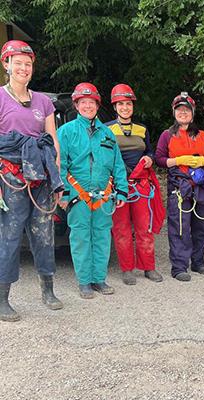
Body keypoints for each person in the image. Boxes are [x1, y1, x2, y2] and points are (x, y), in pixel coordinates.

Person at [0, 40, 63, 321]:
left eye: (28, 64)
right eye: (18, 63)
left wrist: (56, 180)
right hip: (9, 177)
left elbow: (52, 144)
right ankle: (3, 298)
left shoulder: (43, 102)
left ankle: (47, 289)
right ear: (6, 64)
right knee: (10, 237)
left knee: (43, 234)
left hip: (40, 179)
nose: (24, 68)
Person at [58, 82, 128, 298]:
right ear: (77, 105)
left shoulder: (107, 134)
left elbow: (117, 164)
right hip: (77, 194)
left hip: (103, 194)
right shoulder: (66, 132)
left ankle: (99, 279)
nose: (88, 106)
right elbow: (60, 164)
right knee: (80, 238)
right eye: (83, 102)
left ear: (97, 106)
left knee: (101, 237)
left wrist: (122, 190)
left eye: (92, 102)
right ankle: (84, 282)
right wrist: (64, 193)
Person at [106, 84, 164, 285]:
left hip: (140, 184)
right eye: (120, 104)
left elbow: (149, 151)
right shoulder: (107, 129)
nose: (125, 108)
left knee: (143, 227)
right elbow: (105, 156)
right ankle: (127, 269)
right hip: (119, 185)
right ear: (115, 107)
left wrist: (149, 158)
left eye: (128, 104)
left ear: (133, 106)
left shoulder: (142, 129)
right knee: (121, 228)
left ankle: (148, 267)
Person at [155, 92, 204, 282]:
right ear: (174, 112)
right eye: (179, 110)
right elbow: (159, 159)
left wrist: (202, 161)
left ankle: (198, 261)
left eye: (186, 110)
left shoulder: (203, 136)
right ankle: (179, 266)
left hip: (200, 185)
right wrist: (177, 160)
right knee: (179, 225)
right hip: (179, 185)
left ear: (192, 113)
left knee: (201, 224)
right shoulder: (167, 135)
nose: (183, 113)